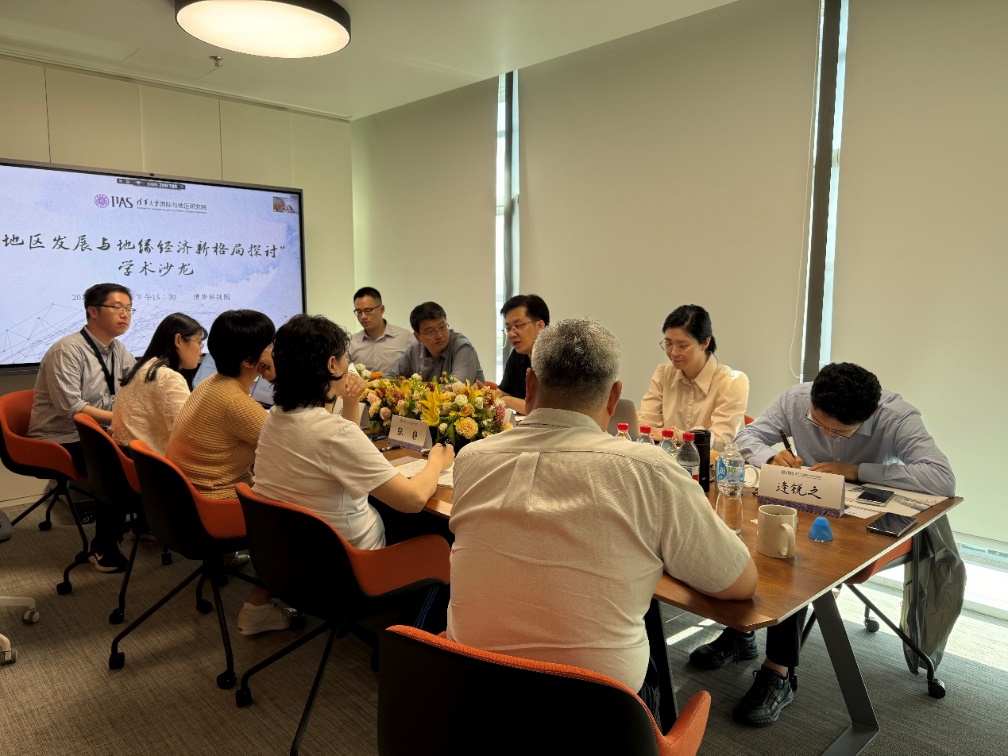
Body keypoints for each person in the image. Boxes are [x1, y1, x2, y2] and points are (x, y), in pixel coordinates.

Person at [447, 317, 757, 722]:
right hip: (597, 717)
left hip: (470, 697)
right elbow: (739, 583)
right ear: (614, 397)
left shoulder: (471, 459)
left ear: (530, 384)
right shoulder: (649, 470)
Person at [689, 362, 956, 727]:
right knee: (750, 535)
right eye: (818, 425)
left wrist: (856, 470)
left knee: (797, 562)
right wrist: (771, 456)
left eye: (839, 432)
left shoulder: (896, 417)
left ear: (868, 416)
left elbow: (941, 478)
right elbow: (747, 438)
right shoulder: (796, 399)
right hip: (807, 502)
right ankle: (742, 632)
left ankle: (779, 671)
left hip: (861, 522)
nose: (827, 435)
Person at [165, 309, 285, 636]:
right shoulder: (236, 403)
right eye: (271, 345)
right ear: (250, 360)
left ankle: (232, 557)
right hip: (212, 508)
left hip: (184, 501)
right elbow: (296, 450)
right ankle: (258, 608)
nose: (276, 350)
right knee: (297, 508)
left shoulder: (210, 384)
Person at [28, 282, 137, 573]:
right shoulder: (67, 350)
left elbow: (136, 383)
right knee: (114, 464)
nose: (125, 314)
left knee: (149, 451)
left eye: (129, 309)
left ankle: (148, 525)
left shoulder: (117, 349)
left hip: (98, 432)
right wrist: (118, 420)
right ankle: (103, 547)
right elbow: (71, 408)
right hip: (59, 436)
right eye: (117, 307)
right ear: (93, 311)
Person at [638, 304, 748, 451]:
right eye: (668, 343)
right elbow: (646, 424)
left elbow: (722, 441)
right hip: (669, 461)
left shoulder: (731, 382)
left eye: (683, 346)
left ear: (705, 343)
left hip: (714, 464)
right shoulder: (664, 375)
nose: (673, 353)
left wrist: (676, 435)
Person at [111, 313, 206, 455]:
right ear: (178, 340)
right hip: (153, 463)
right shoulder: (168, 377)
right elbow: (191, 435)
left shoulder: (144, 368)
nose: (201, 351)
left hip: (133, 460)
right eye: (199, 343)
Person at [393, 301, 485, 384]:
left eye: (442, 327)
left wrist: (417, 389)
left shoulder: (463, 348)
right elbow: (391, 376)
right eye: (430, 332)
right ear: (417, 337)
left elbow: (457, 387)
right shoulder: (414, 350)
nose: (439, 335)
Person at [493, 294, 549, 415]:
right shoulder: (517, 355)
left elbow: (544, 410)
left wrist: (508, 401)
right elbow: (500, 394)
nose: (511, 334)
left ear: (540, 326)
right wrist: (483, 395)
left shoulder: (557, 357)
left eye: (518, 326)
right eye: (508, 328)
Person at [347, 286, 414, 376]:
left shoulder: (405, 337)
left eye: (368, 311)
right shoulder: (351, 342)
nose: (363, 317)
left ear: (382, 309)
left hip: (397, 385)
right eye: (359, 312)